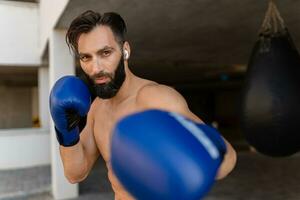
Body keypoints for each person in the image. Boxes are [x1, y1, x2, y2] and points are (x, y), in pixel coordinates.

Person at [50, 10, 237, 200]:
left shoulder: (155, 97)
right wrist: (66, 132)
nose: (95, 68)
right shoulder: (97, 108)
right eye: (86, 57)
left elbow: (227, 159)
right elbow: (75, 174)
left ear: (125, 50)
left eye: (105, 53)